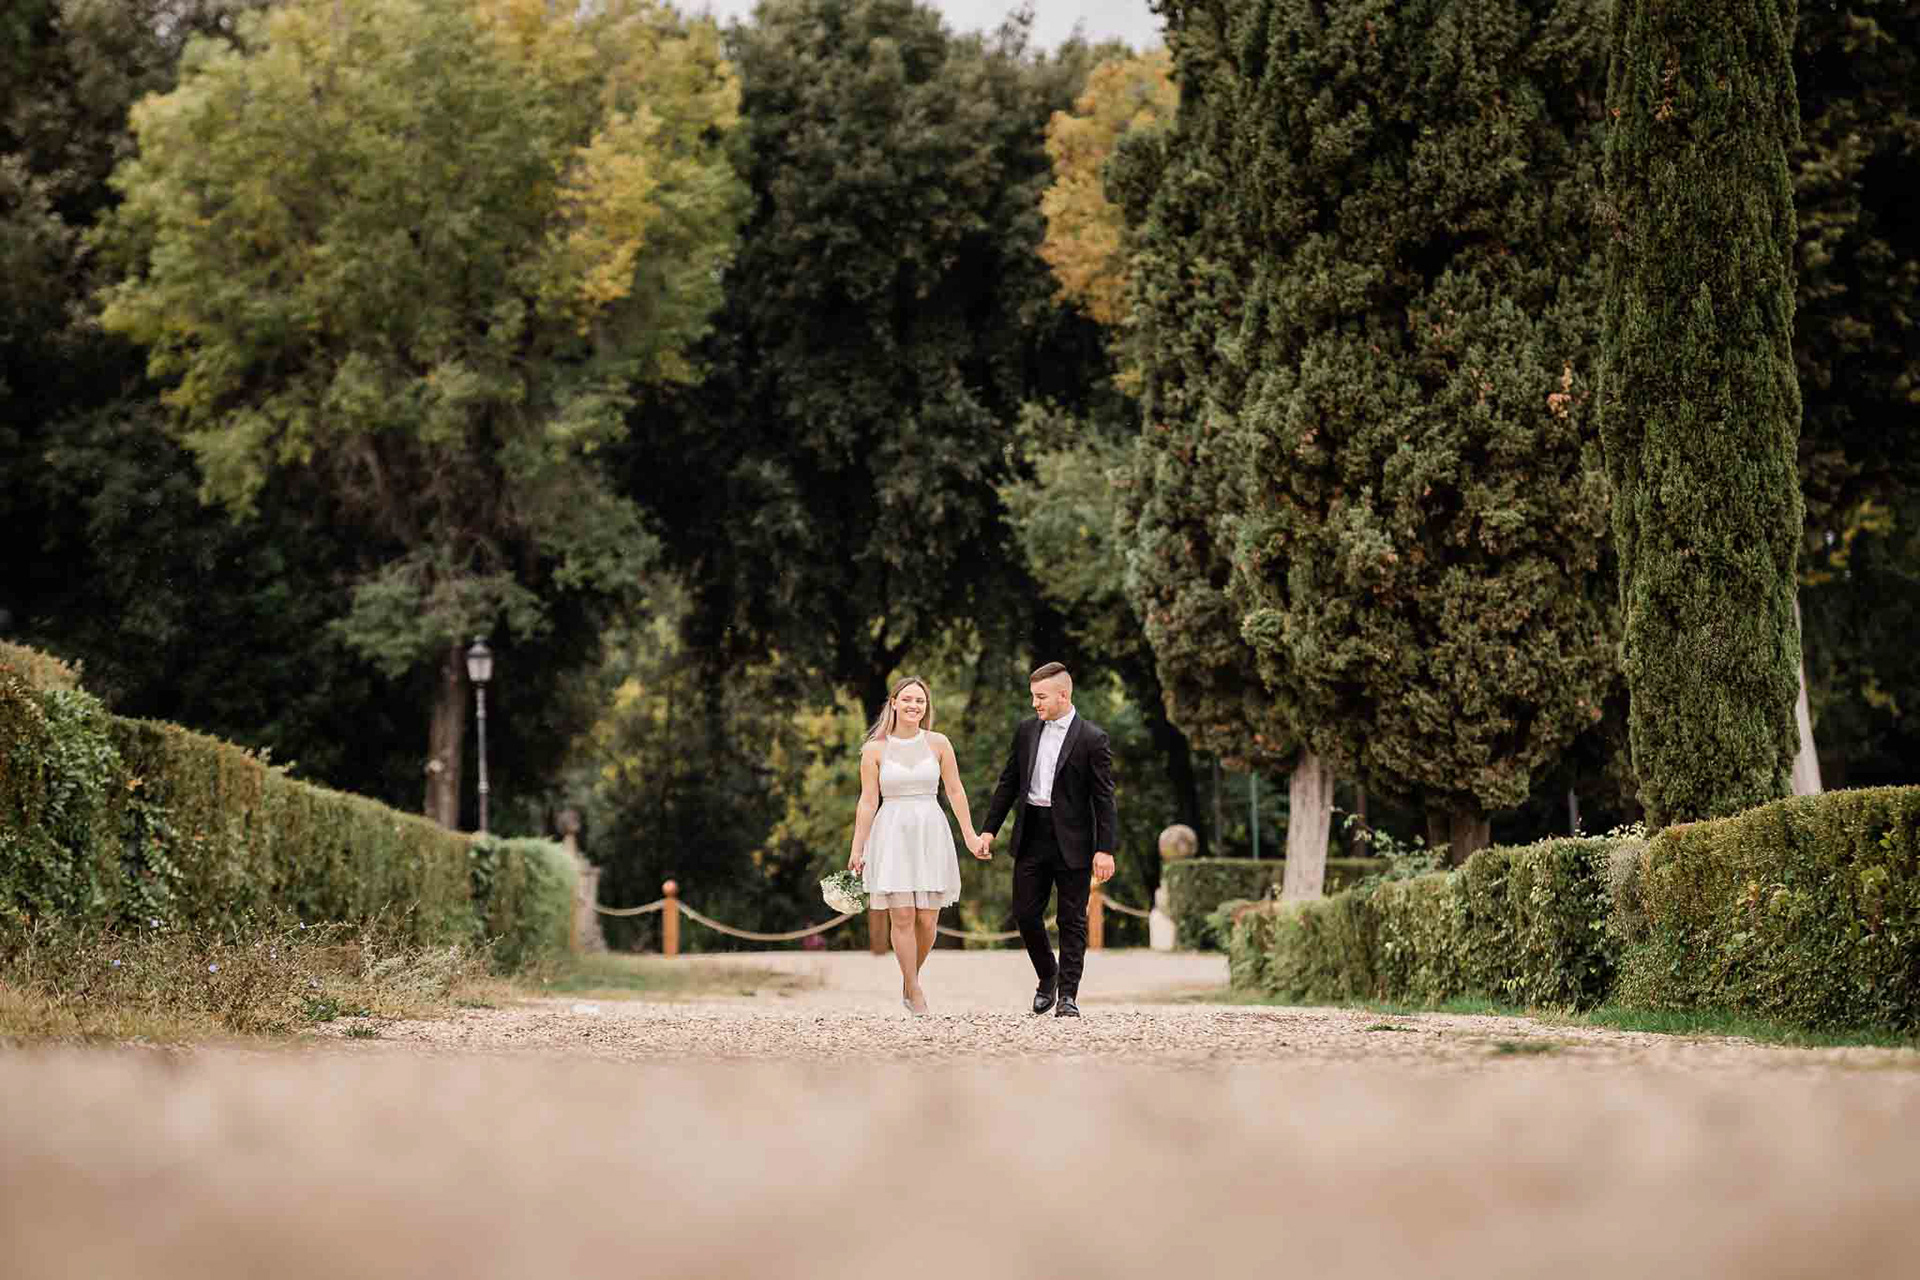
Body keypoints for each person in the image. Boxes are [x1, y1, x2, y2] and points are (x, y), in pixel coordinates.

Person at [974, 662, 1117, 1018]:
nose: (1035, 704)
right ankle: (1048, 975)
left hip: (1074, 841)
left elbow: (1104, 799)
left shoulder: (1092, 739)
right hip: (1031, 833)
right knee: (1024, 914)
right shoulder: (1025, 732)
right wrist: (989, 829)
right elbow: (1008, 784)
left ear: (1063, 695)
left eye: (1040, 697)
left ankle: (1067, 996)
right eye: (1033, 697)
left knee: (1073, 920)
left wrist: (1105, 849)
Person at [847, 676, 988, 1015]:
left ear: (926, 708)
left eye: (920, 701)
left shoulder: (939, 743)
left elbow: (955, 791)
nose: (913, 706)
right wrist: (857, 848)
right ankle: (915, 991)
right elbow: (868, 801)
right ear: (893, 703)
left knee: (927, 919)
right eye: (907, 699)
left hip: (929, 829)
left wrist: (970, 834)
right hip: (892, 830)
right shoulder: (874, 750)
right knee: (903, 914)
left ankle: (909, 980)